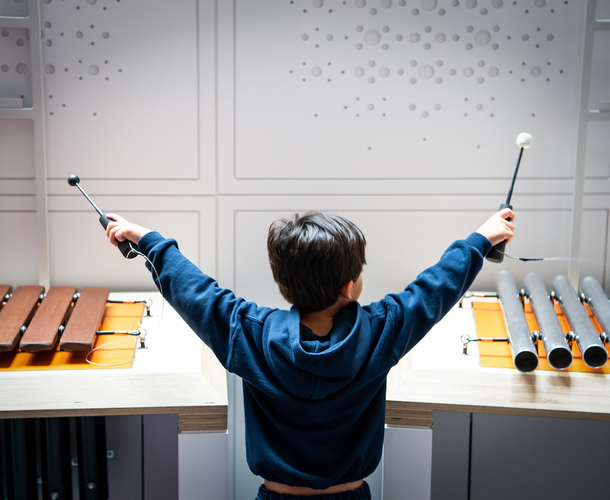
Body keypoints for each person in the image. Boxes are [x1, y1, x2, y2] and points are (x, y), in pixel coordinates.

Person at [106, 208, 515, 500]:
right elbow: (435, 288)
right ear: (351, 286)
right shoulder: (381, 331)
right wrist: (480, 239)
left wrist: (148, 241)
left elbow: (192, 290)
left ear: (283, 283)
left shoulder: (247, 333)